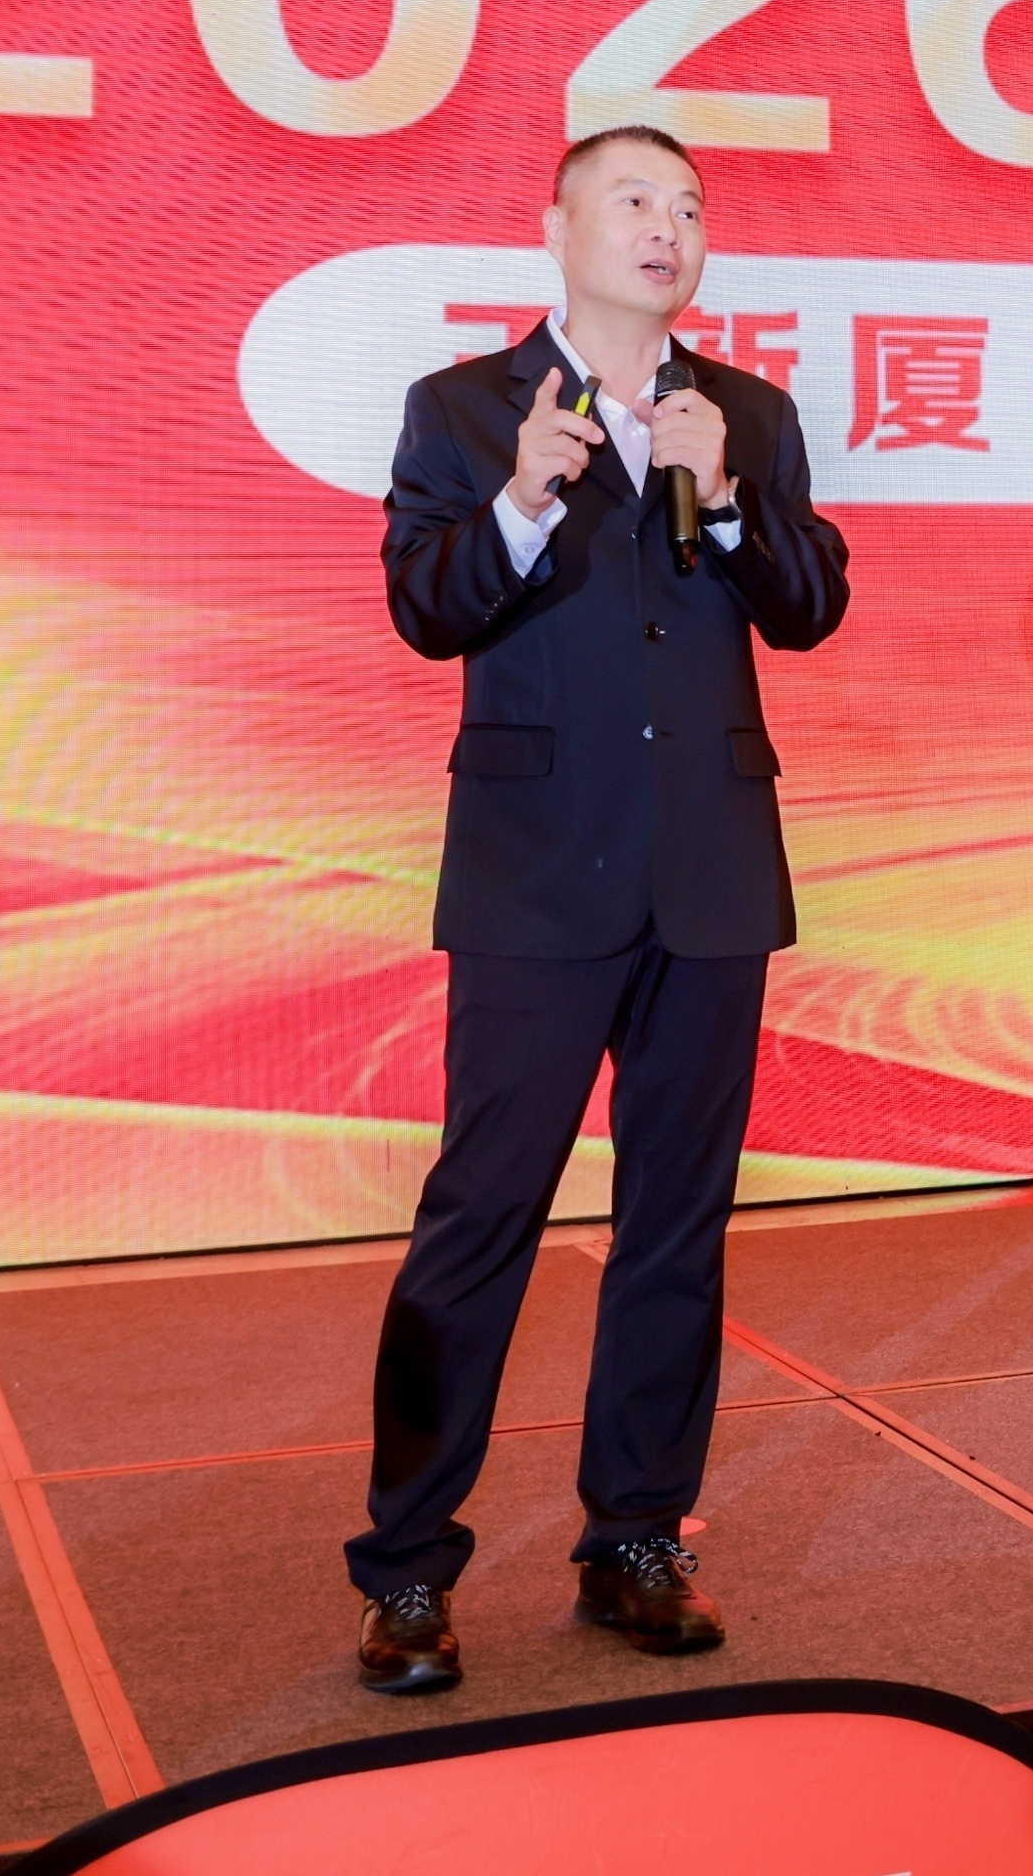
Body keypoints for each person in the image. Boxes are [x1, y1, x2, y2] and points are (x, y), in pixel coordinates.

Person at [344, 123, 850, 1695]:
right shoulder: (464, 409)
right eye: (635, 199)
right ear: (559, 227)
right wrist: (518, 502)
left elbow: (810, 608)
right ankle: (407, 1565)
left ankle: (636, 1535)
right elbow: (425, 609)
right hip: (533, 874)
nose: (667, 227)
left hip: (710, 874)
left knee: (677, 1223)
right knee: (481, 1215)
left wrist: (728, 492)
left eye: (689, 207)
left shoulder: (745, 414)